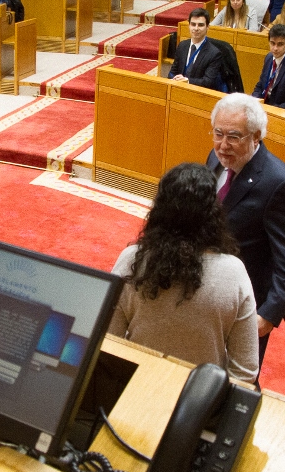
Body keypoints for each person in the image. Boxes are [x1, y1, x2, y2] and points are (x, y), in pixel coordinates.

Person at [108, 162, 258, 382]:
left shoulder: (131, 260)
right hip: (199, 405)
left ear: (158, 209)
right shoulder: (234, 272)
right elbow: (245, 371)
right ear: (214, 213)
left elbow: (108, 342)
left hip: (133, 392)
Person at [205, 93, 285, 370]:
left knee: (238, 378)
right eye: (218, 134)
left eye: (234, 136)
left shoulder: (280, 183)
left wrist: (269, 315)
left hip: (245, 302)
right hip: (207, 289)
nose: (223, 146)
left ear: (256, 136)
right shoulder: (215, 160)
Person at [252, 24, 285, 111]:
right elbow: (260, 85)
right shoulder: (269, 57)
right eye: (272, 43)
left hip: (279, 110)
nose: (275, 48)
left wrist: (268, 109)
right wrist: (254, 100)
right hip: (264, 106)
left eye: (280, 44)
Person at [168, 9, 223, 90]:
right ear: (189, 25)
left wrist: (187, 81)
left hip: (198, 94)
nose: (196, 28)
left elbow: (208, 82)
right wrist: (174, 79)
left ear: (208, 27)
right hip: (178, 89)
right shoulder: (182, 45)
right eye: (193, 24)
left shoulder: (214, 53)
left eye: (200, 25)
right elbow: (172, 72)